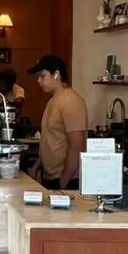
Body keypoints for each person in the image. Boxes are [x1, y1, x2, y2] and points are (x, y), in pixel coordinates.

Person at [26, 54, 88, 191]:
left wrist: (63, 183)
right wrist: (36, 166)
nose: (39, 81)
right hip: (50, 177)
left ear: (56, 74)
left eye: (42, 76)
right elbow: (51, 140)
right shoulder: (53, 100)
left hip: (67, 180)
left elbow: (77, 147)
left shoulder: (71, 101)